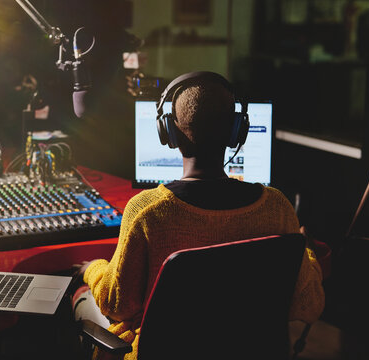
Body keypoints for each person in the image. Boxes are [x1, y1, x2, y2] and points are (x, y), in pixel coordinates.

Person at [72, 71, 325, 360]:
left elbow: (117, 304)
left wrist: (91, 269)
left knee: (82, 298)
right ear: (236, 132)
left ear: (168, 132)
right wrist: (305, 252)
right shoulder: (277, 207)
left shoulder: (146, 211)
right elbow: (309, 305)